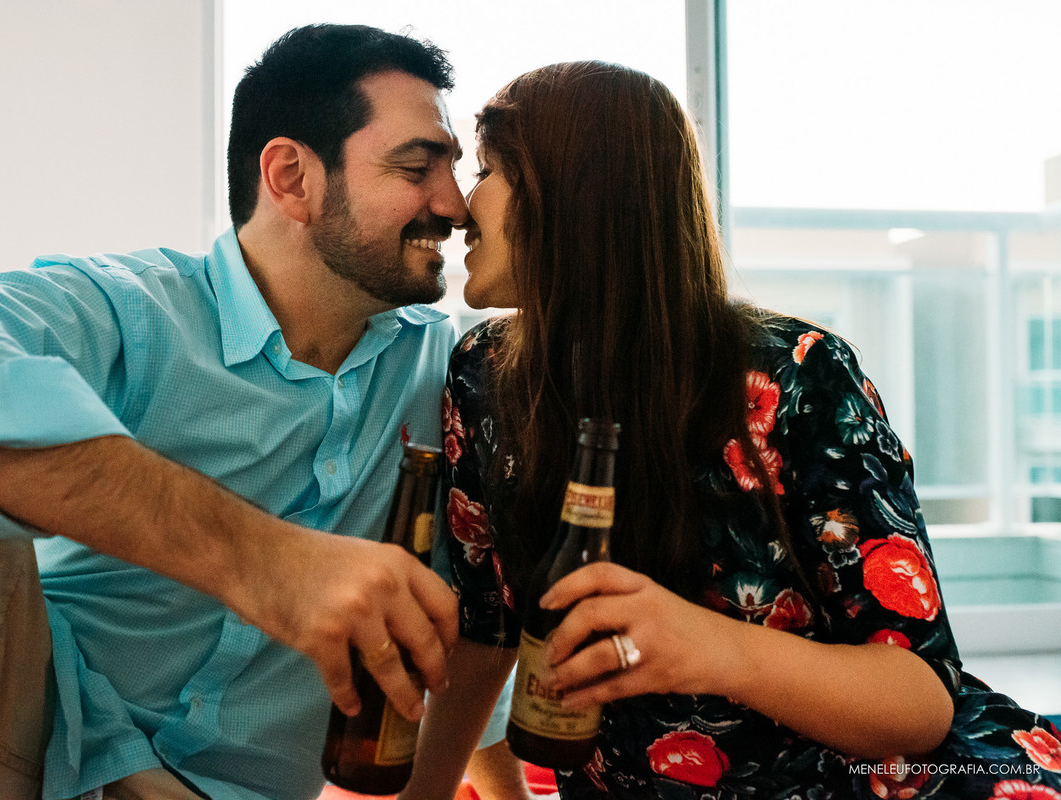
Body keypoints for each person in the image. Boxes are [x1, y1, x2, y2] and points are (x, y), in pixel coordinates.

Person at [401, 61, 1061, 799]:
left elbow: (919, 701)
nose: (459, 208)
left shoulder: (798, 374)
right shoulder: (482, 377)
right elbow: (486, 634)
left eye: (487, 169)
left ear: (577, 195)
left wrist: (705, 645)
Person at [0, 23, 470, 800]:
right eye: (418, 167)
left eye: (457, 169)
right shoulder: (136, 311)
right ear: (291, 177)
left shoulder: (453, 373)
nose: (454, 205)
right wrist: (265, 561)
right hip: (40, 740)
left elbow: (487, 604)